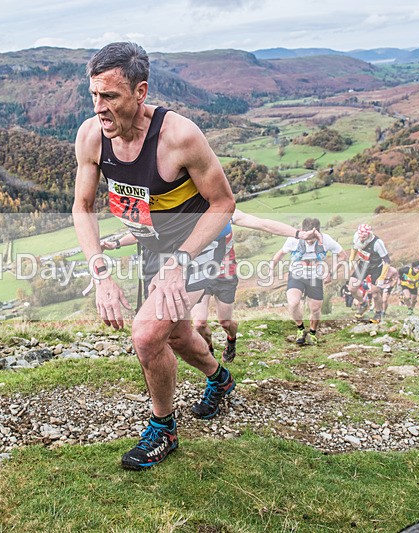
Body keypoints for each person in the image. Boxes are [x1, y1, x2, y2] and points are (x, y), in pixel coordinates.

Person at [74, 42, 301, 470]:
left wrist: (179, 261)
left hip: (199, 244)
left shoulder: (178, 136)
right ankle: (221, 380)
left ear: (140, 93)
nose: (99, 108)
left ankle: (164, 429)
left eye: (110, 97)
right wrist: (101, 271)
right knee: (174, 335)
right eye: (93, 96)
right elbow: (82, 207)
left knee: (145, 335)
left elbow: (223, 204)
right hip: (152, 248)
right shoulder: (90, 136)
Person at [266, 217, 345, 345]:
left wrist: (331, 273)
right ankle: (300, 329)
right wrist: (270, 268)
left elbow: (343, 256)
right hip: (296, 275)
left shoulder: (326, 240)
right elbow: (280, 253)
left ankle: (313, 333)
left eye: (313, 239)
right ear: (303, 231)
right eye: (307, 238)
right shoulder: (293, 240)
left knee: (315, 309)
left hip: (315, 277)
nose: (309, 242)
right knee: (293, 303)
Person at [348, 223, 391, 324]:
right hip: (363, 265)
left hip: (377, 267)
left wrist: (382, 277)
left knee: (375, 293)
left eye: (364, 237)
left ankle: (378, 312)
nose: (362, 238)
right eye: (360, 236)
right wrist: (351, 260)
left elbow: (387, 260)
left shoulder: (377, 243)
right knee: (352, 288)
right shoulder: (356, 236)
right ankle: (363, 304)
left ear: (369, 235)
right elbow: (354, 248)